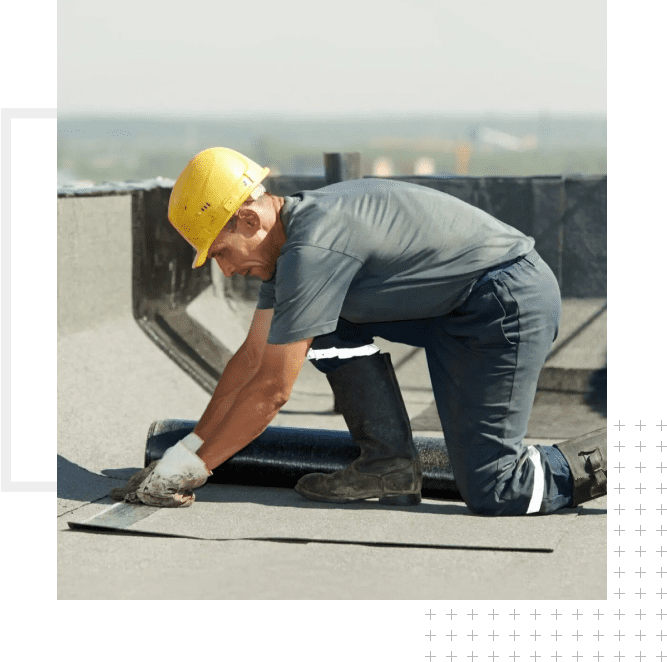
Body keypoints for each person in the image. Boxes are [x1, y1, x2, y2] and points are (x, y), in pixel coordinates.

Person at [129, 147, 607, 514]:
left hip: (504, 304)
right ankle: (388, 466)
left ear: (250, 219)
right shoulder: (288, 251)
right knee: (321, 325)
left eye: (221, 253)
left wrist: (194, 470)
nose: (228, 271)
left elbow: (272, 390)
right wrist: (185, 449)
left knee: (499, 488)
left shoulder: (313, 249)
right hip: (454, 309)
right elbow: (252, 360)